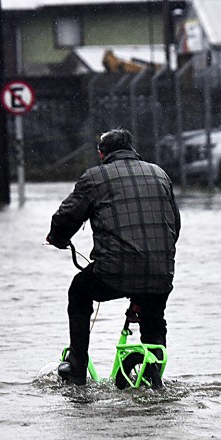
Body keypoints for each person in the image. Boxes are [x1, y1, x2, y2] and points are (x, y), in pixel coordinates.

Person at [46, 128, 180, 387]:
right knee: (153, 315)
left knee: (79, 289)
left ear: (101, 153)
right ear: (133, 149)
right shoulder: (160, 174)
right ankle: (154, 371)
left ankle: (76, 365)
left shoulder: (95, 178)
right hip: (160, 271)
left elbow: (67, 217)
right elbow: (175, 222)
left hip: (113, 272)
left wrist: (58, 238)